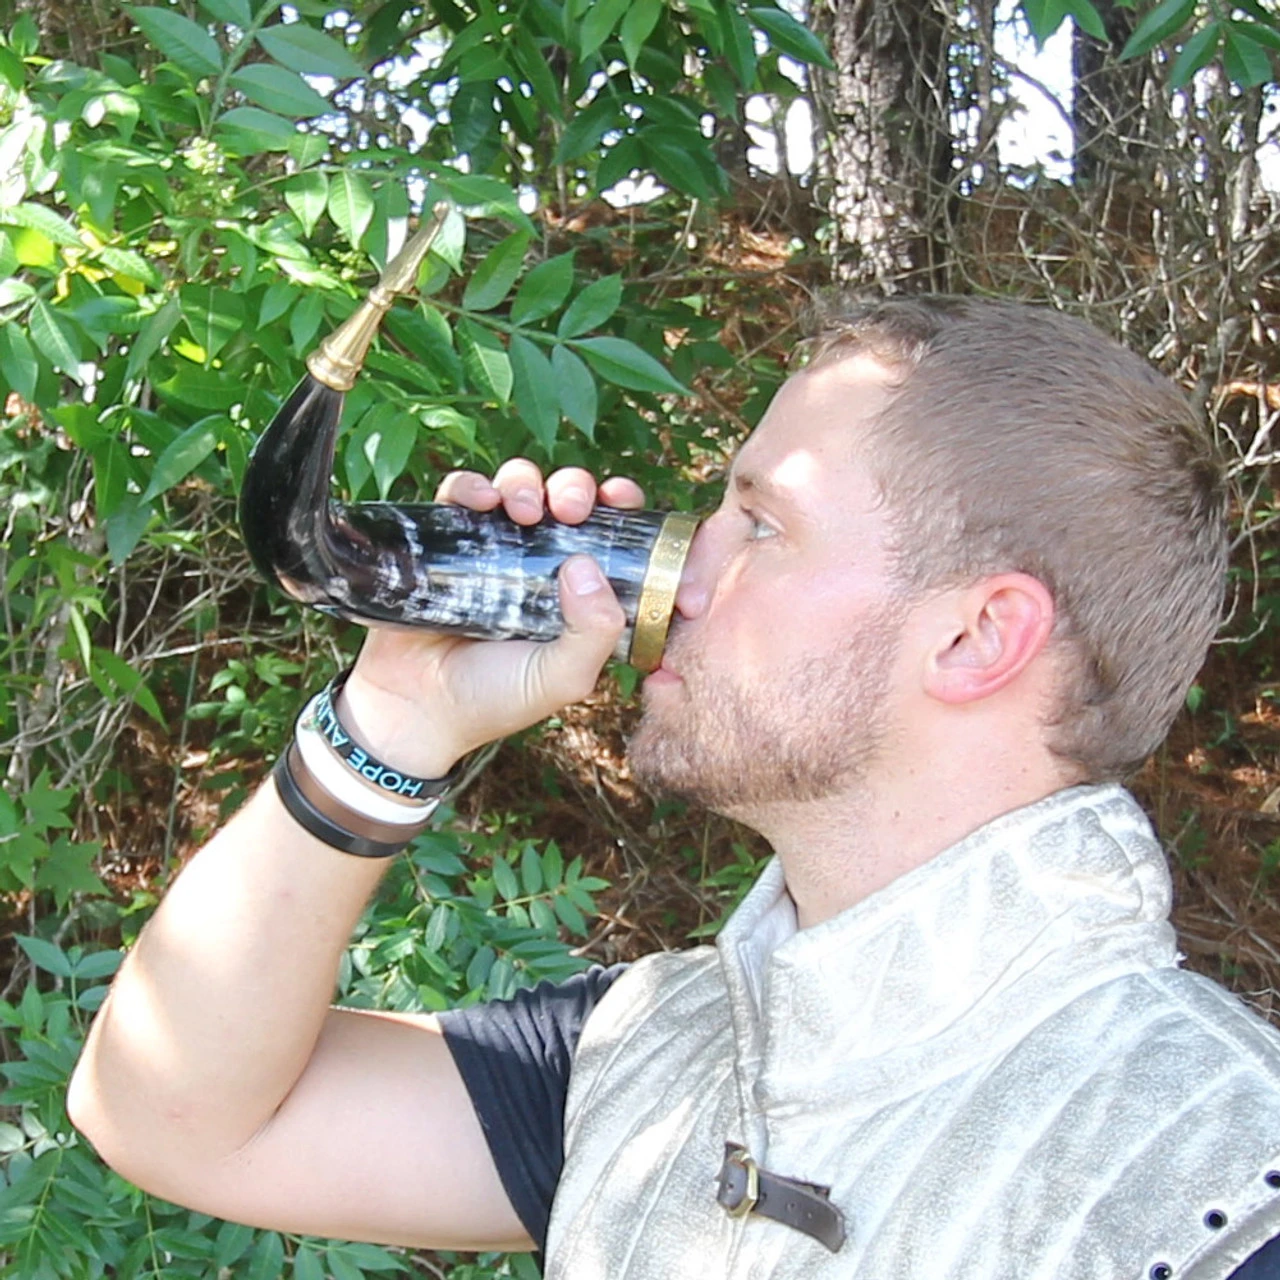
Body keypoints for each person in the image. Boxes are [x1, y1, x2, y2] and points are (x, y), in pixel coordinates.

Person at [68, 296, 1280, 1279]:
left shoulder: (1210, 1178)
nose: (681, 563)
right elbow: (171, 1114)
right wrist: (391, 718)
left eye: (759, 523)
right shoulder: (647, 1054)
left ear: (974, 638)